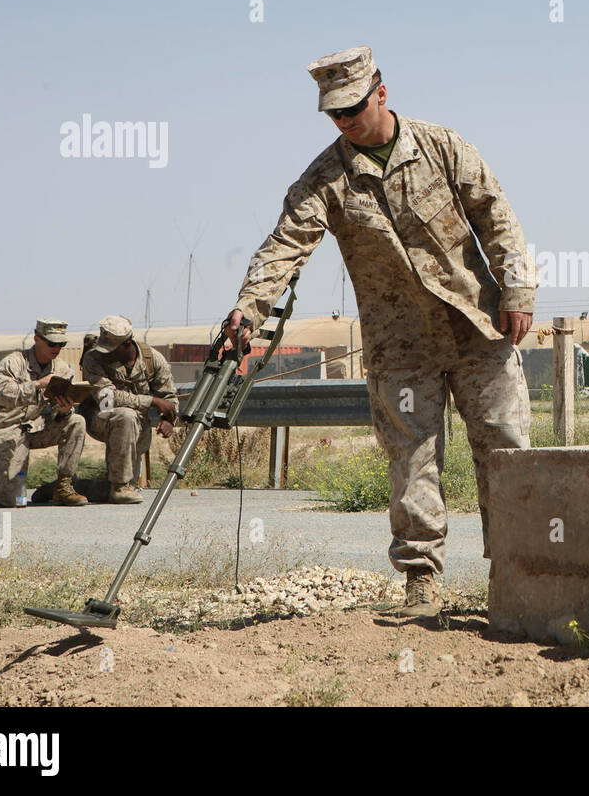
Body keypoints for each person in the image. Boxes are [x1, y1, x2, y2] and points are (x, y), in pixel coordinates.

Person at [225, 45, 536, 617]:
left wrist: (517, 289)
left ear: (382, 94)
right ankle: (420, 585)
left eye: (353, 108)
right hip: (401, 347)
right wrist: (248, 310)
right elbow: (284, 246)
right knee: (411, 459)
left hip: (477, 328)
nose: (345, 121)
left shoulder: (443, 147)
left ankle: (518, 582)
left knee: (506, 453)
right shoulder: (324, 178)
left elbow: (497, 214)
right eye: (334, 114)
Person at [0, 319, 88, 507]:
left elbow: (55, 412)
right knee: (12, 500)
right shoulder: (14, 362)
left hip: (36, 429)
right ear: (37, 339)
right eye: (52, 343)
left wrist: (63, 412)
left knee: (76, 422)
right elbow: (2, 394)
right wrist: (37, 384)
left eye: (61, 344)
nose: (57, 348)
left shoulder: (61, 369)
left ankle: (63, 487)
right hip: (4, 430)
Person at [79, 315, 178, 504]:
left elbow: (168, 396)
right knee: (126, 415)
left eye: (112, 349)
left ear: (126, 344)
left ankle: (96, 487)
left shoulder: (152, 359)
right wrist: (151, 401)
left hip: (137, 428)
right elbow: (108, 397)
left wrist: (168, 419)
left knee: (130, 489)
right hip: (100, 417)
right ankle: (119, 485)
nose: (106, 353)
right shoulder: (93, 359)